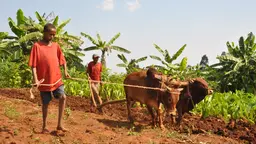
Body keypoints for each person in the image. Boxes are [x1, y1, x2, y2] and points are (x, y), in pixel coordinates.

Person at [29, 23, 70, 134]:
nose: (52, 37)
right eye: (50, 34)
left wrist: (65, 71)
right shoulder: (37, 46)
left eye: (53, 35)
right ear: (44, 33)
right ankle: (44, 126)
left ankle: (60, 124)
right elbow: (33, 65)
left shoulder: (56, 46)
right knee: (46, 103)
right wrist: (36, 79)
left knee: (63, 97)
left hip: (56, 79)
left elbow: (62, 60)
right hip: (44, 81)